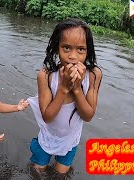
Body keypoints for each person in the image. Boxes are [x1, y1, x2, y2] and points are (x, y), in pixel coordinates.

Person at [27, 18, 102, 174]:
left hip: (70, 140)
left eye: (81, 49)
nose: (73, 56)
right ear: (56, 48)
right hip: (47, 136)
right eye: (66, 48)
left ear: (88, 51)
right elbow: (47, 117)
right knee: (36, 172)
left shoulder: (94, 75)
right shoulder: (46, 76)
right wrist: (63, 88)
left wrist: (76, 88)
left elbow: (88, 116)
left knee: (60, 175)